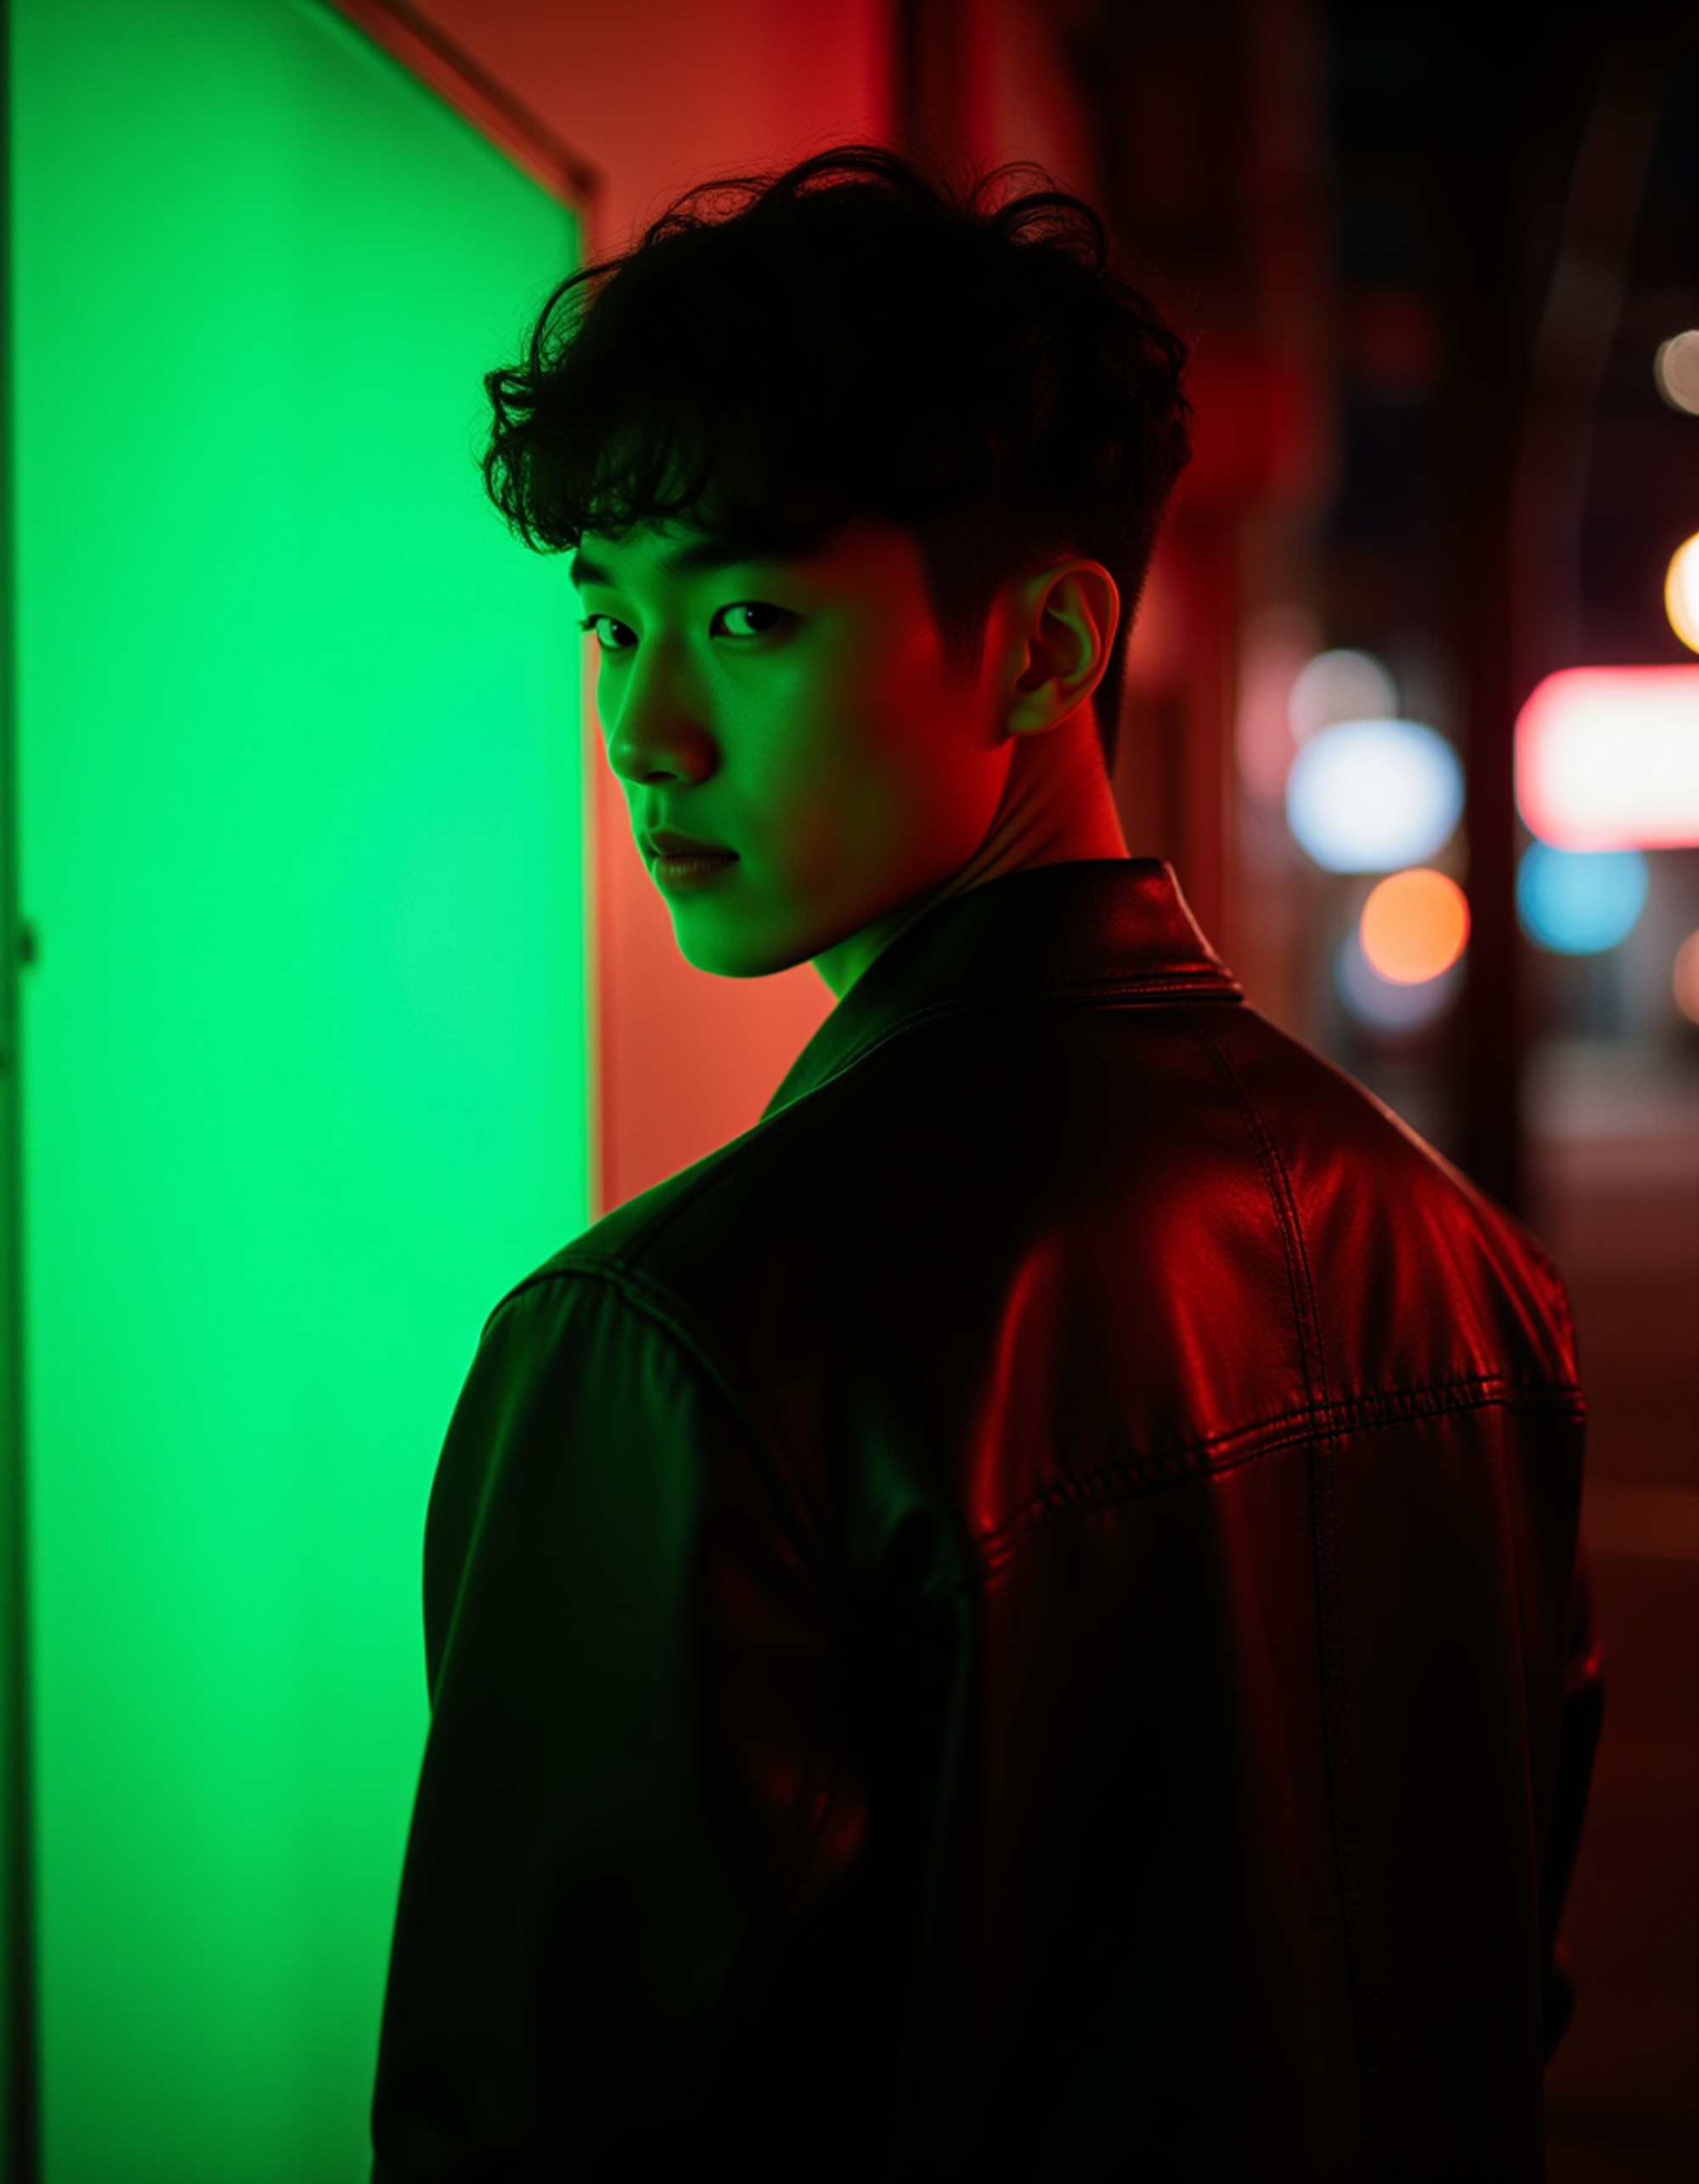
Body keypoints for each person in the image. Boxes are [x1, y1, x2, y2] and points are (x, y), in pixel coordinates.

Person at [370, 143, 1604, 2182]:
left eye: (750, 613)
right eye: (611, 619)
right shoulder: (1460, 1264)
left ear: (1043, 648)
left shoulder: (682, 1343)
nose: (646, 728)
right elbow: (1493, 1991)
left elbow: (548, 2110)